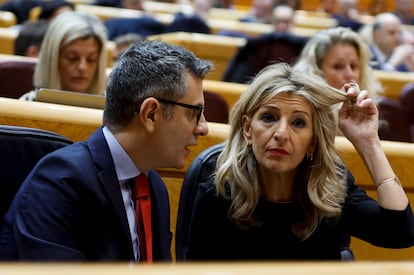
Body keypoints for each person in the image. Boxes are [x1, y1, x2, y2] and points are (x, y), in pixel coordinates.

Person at [0, 40, 212, 261]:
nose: (203, 128)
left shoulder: (153, 186)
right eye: (194, 113)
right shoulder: (59, 184)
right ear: (150, 114)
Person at [184, 62, 414, 260]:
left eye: (298, 123)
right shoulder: (217, 190)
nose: (281, 133)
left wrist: (368, 142)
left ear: (313, 141)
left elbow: (401, 232)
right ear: (247, 129)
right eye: (268, 118)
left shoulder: (331, 188)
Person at [19, 11, 108, 101]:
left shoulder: (113, 110)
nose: (82, 67)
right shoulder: (25, 106)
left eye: (91, 59)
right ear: (52, 58)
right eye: (72, 58)